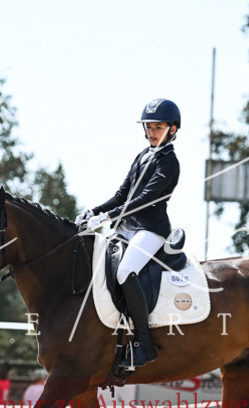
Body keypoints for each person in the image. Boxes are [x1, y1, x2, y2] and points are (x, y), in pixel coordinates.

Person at [77, 98, 181, 371]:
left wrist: (108, 217)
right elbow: (122, 194)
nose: (152, 132)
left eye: (158, 127)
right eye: (149, 127)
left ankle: (145, 345)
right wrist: (94, 211)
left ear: (172, 129)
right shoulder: (142, 156)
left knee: (125, 272)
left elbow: (146, 199)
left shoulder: (169, 162)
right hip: (126, 228)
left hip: (150, 230)